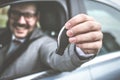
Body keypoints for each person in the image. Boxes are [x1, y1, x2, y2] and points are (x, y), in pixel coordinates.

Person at [0, 2, 103, 80]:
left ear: (37, 18)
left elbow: (59, 58)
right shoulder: (2, 33)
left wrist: (82, 50)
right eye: (15, 13)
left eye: (28, 15)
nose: (21, 21)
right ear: (9, 15)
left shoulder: (44, 42)